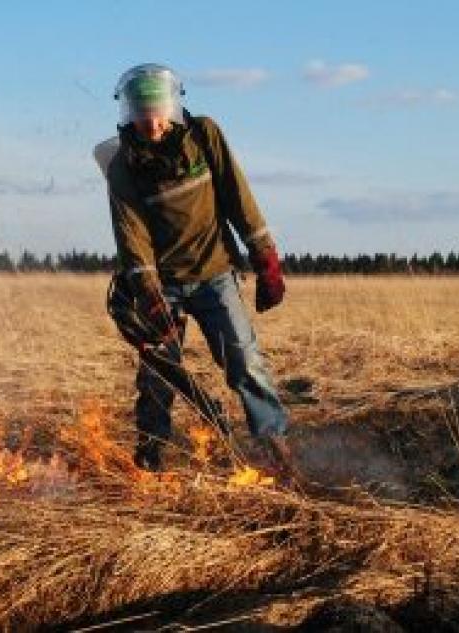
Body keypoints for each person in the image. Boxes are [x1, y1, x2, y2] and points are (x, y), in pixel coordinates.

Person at [93, 63, 299, 481]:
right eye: (141, 111)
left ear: (171, 107)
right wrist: (149, 297)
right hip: (162, 286)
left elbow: (238, 195)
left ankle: (276, 446)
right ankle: (150, 462)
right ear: (128, 112)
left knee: (244, 361)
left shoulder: (204, 135)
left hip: (215, 275)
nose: (150, 122)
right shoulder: (121, 165)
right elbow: (131, 237)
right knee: (156, 376)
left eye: (158, 110)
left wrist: (265, 258)